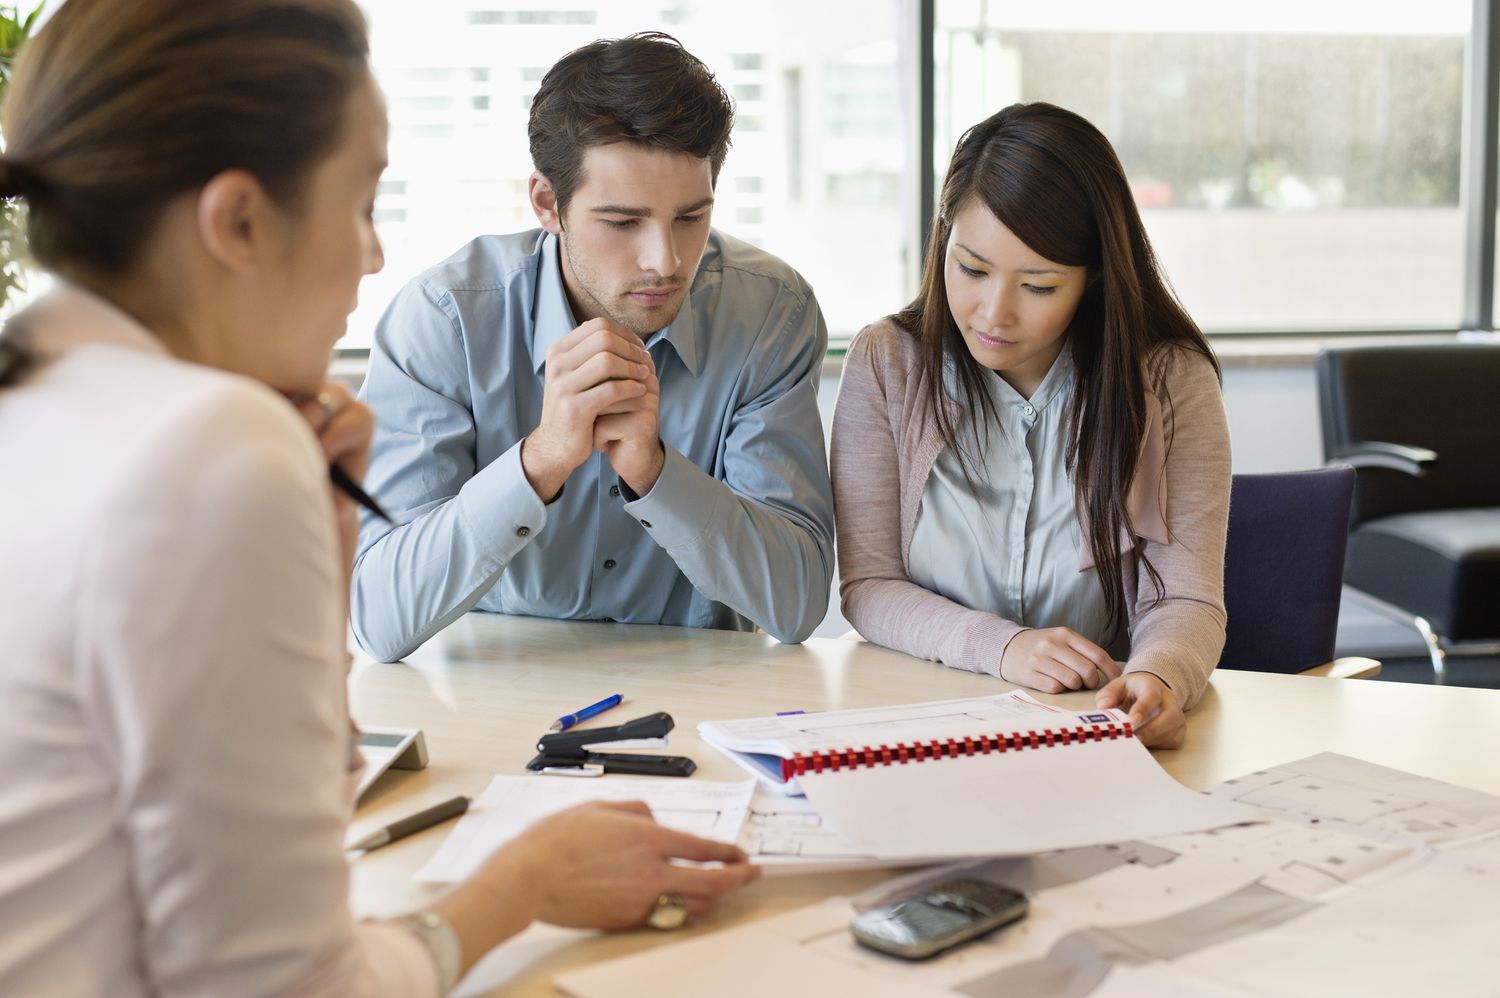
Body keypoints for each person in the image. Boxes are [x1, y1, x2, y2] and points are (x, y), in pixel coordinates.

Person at [0, 2, 755, 994]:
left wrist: (326, 529)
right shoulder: (211, 448)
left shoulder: (42, 395)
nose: (372, 256)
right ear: (237, 220)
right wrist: (522, 879)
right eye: (361, 203)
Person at [350, 33, 835, 663]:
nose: (665, 260)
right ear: (548, 203)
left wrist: (656, 473)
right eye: (623, 222)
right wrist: (540, 461)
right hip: (497, 693)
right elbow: (380, 617)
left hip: (699, 699)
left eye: (691, 217)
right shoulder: (446, 320)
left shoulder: (771, 313)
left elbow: (796, 605)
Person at [830, 102, 1231, 750]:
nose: (994, 313)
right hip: (919, 719)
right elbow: (869, 587)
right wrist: (1003, 647)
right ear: (943, 240)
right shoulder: (887, 364)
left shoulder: (1168, 381)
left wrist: (1159, 676)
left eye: (1039, 286)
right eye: (972, 269)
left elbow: (1185, 599)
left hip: (1088, 728)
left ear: (1093, 279)